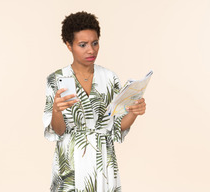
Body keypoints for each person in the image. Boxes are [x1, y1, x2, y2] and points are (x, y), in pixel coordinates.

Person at [43, 11, 146, 192]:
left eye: (95, 43)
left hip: (103, 162)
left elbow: (116, 126)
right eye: (82, 45)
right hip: (70, 164)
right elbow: (58, 131)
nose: (91, 50)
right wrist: (56, 111)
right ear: (69, 45)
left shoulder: (110, 78)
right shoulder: (56, 79)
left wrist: (134, 112)